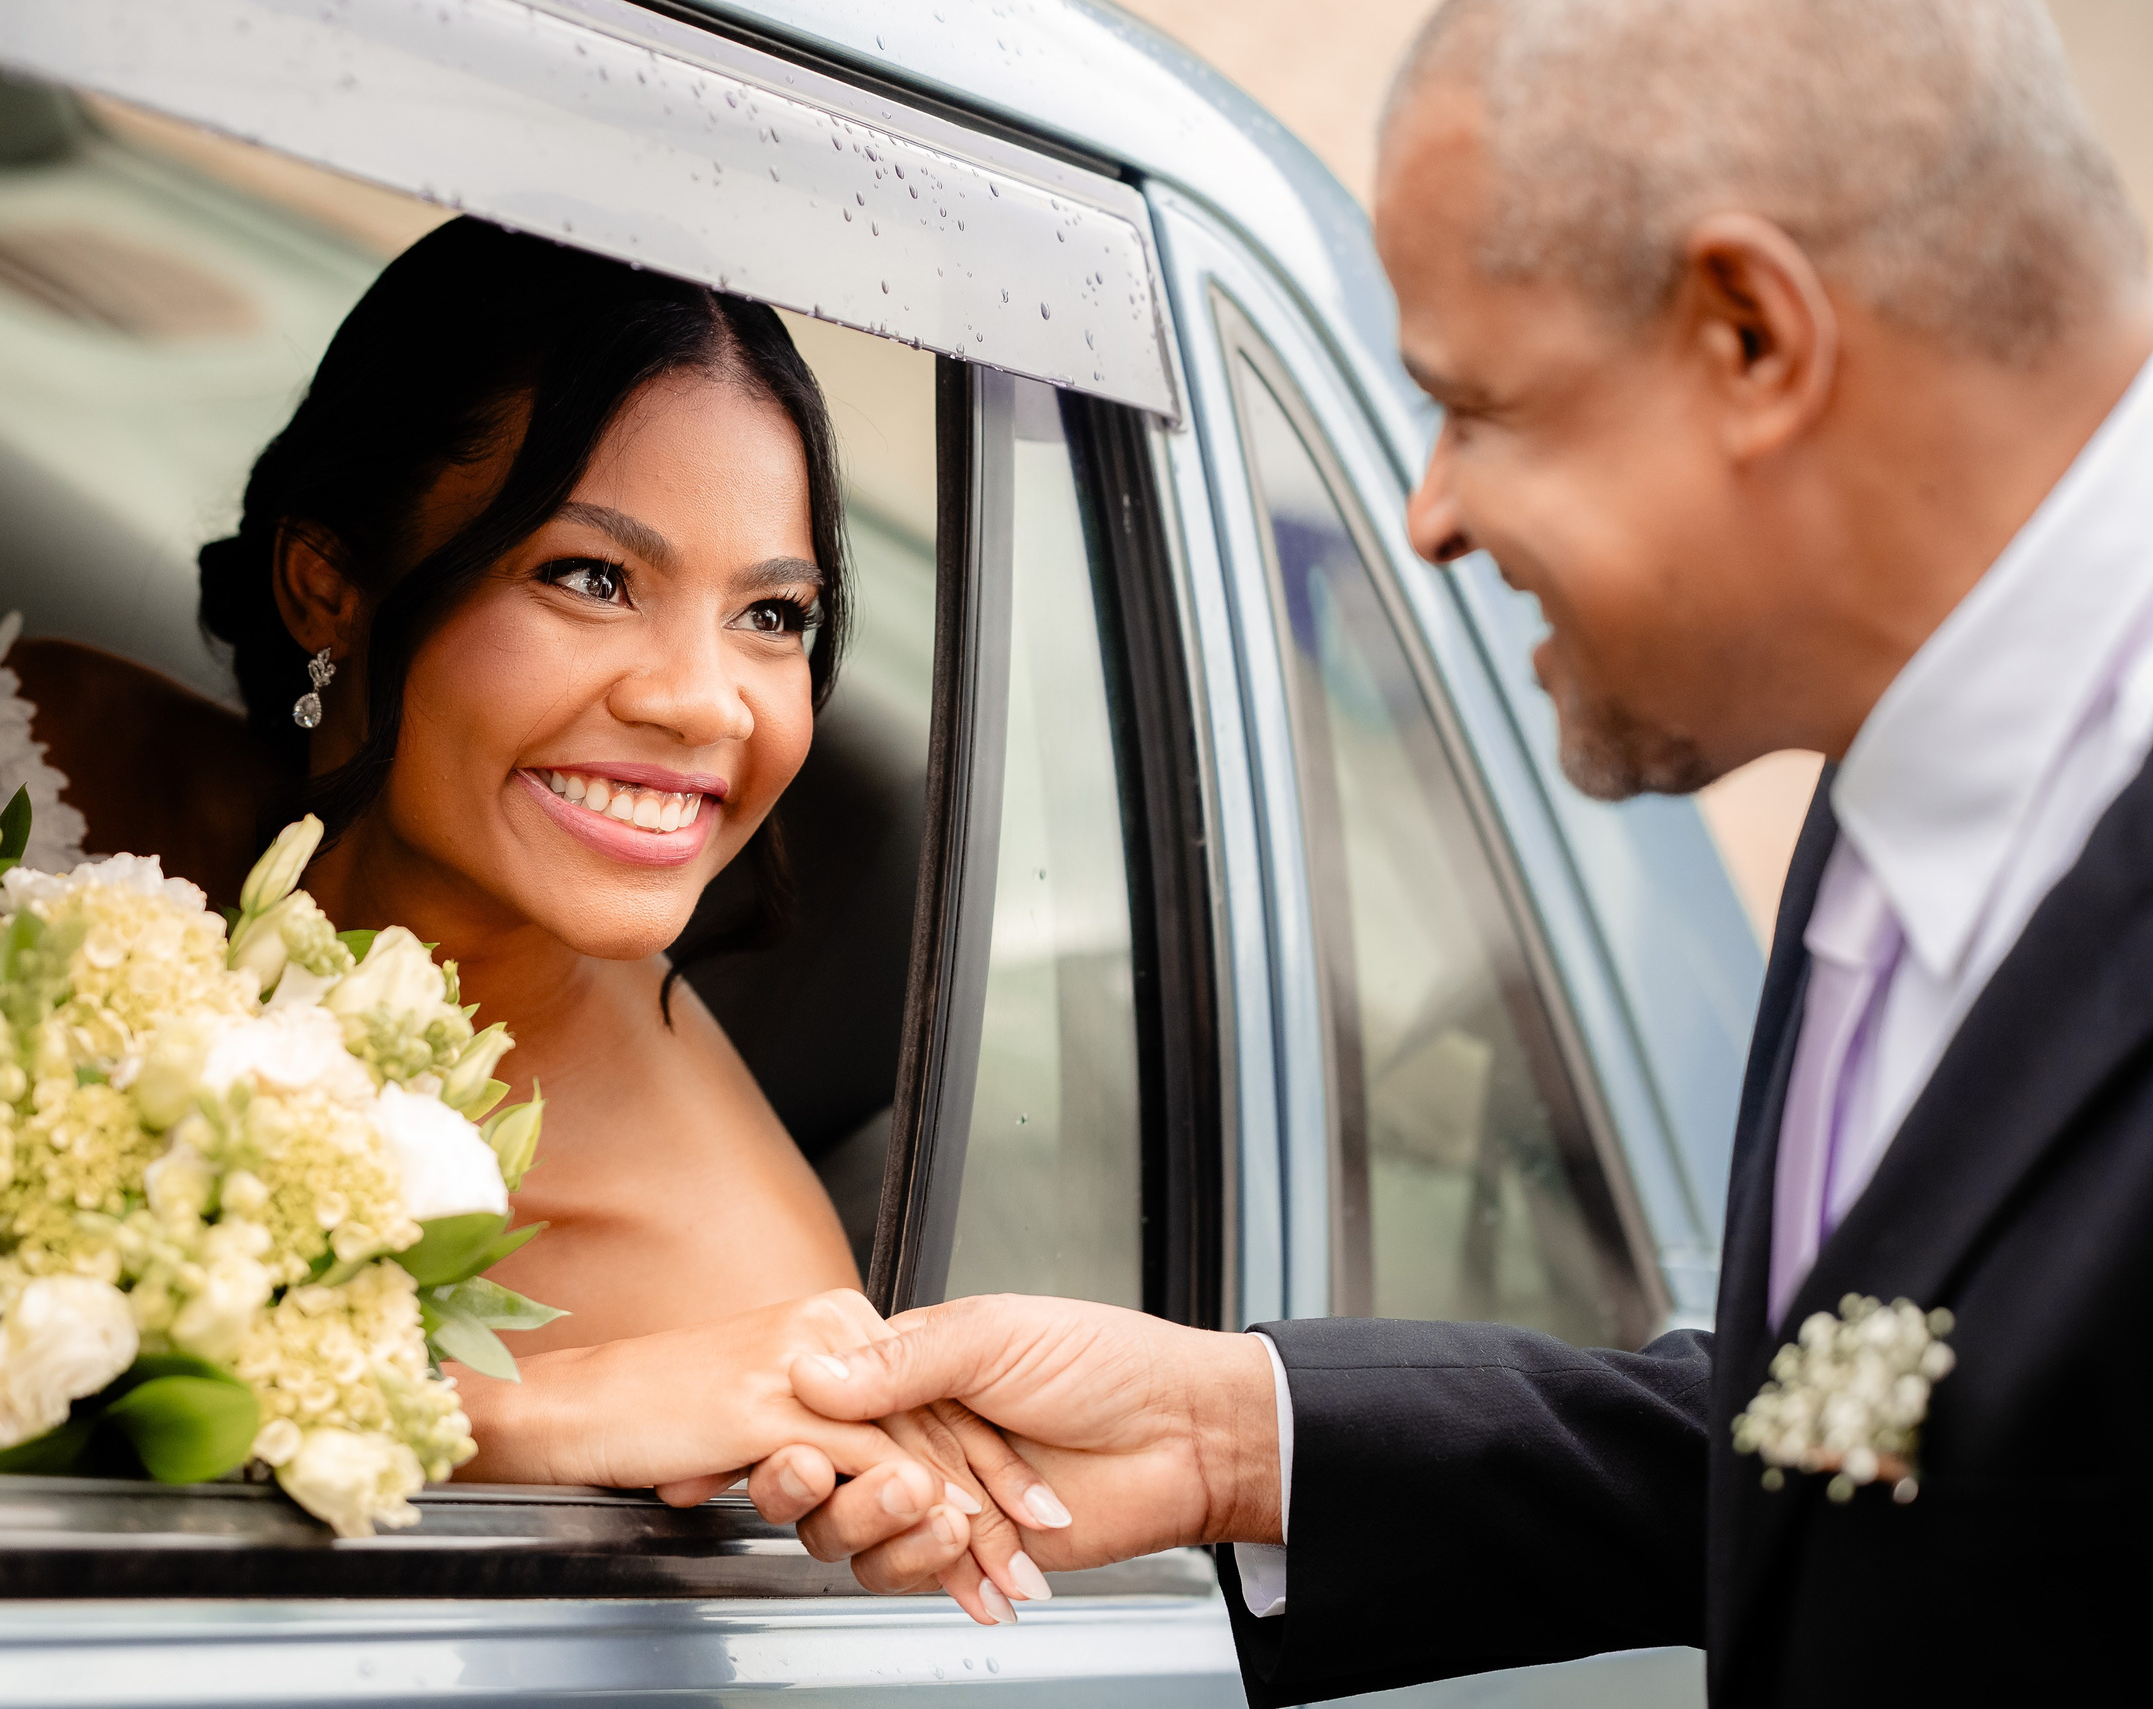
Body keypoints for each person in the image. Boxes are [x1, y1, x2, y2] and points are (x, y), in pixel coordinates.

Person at [765, 0, 2153, 1699]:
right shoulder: (1909, 775)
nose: (1429, 514)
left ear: (1751, 338)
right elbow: (1903, 1457)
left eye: (1478, 407)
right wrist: (1237, 1438)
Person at [0, 219, 1036, 1623]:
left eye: (772, 615)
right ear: (327, 582)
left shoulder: (742, 1290)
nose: (703, 702)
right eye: (593, 576)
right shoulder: (41, 766)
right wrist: (521, 1410)